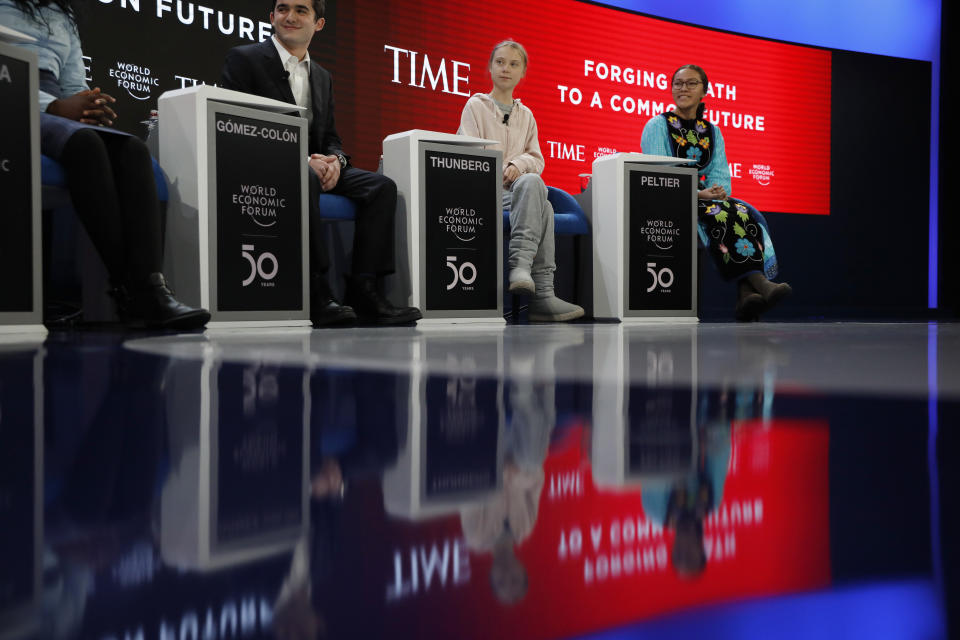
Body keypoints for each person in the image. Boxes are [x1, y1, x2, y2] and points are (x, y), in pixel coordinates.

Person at [0, 0, 210, 329]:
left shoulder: (62, 14)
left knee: (132, 150)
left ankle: (152, 287)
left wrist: (88, 104)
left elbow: (73, 83)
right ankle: (131, 291)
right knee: (85, 144)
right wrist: (54, 106)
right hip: (12, 95)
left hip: (56, 106)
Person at [219, 0, 421, 326]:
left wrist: (336, 162)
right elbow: (236, 126)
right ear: (271, 17)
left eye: (301, 10)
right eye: (283, 9)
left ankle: (365, 289)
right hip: (262, 160)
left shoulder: (323, 76)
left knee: (381, 187)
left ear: (319, 24)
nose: (290, 16)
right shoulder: (245, 59)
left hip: (315, 166)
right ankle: (316, 289)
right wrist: (300, 161)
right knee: (307, 178)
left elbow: (331, 138)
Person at [641, 64, 792, 321]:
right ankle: (759, 284)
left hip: (702, 198)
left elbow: (720, 175)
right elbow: (660, 175)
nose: (683, 88)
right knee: (719, 215)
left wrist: (718, 191)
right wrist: (700, 195)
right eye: (678, 83)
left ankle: (747, 296)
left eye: (691, 83)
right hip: (668, 195)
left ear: (704, 91)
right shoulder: (658, 125)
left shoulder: (712, 131)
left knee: (742, 211)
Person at [457, 40, 584, 322]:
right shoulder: (475, 106)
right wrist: (503, 167)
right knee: (539, 198)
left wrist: (518, 164)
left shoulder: (527, 115)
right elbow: (467, 151)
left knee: (536, 192)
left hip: (515, 193)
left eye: (514, 64)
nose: (506, 69)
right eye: (500, 62)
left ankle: (530, 280)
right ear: (490, 67)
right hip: (482, 189)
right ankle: (538, 291)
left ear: (523, 72)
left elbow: (536, 159)